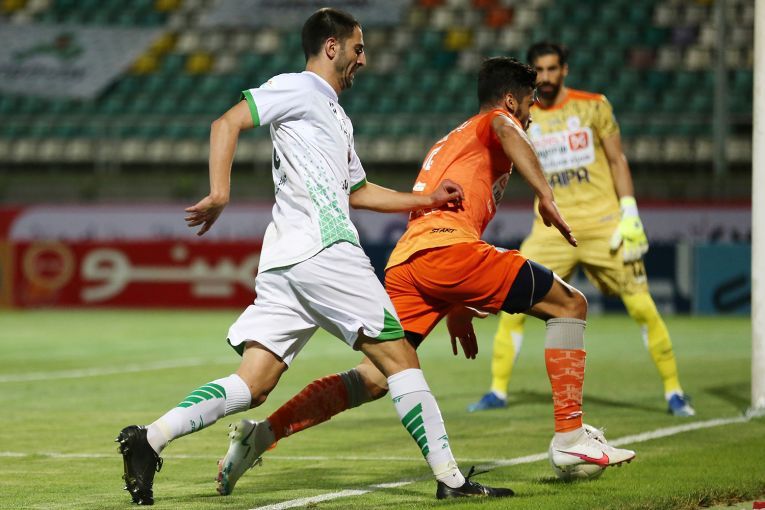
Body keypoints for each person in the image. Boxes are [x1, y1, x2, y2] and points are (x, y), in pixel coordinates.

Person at [116, 8, 513, 505]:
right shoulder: (299, 88)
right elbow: (227, 122)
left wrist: (427, 199)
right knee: (400, 360)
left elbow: (358, 191)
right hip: (325, 250)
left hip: (285, 261)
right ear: (331, 47)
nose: (363, 60)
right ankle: (450, 480)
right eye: (358, 49)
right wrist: (220, 192)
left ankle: (149, 439)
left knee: (254, 383)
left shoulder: (336, 116)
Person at [215, 56, 636, 498]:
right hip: (449, 251)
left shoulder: (454, 138)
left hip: (410, 262)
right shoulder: (497, 122)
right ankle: (570, 436)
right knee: (570, 305)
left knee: (374, 378)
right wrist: (545, 195)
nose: (532, 114)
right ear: (512, 101)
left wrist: (456, 306)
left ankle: (260, 435)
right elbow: (506, 129)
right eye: (529, 103)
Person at [468, 42, 695, 417]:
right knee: (514, 305)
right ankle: (497, 391)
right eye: (539, 70)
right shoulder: (522, 117)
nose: (545, 77)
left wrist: (629, 210)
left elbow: (617, 159)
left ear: (565, 70)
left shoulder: (594, 106)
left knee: (642, 306)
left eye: (552, 69)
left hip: (603, 223)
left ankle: (674, 392)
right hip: (550, 226)